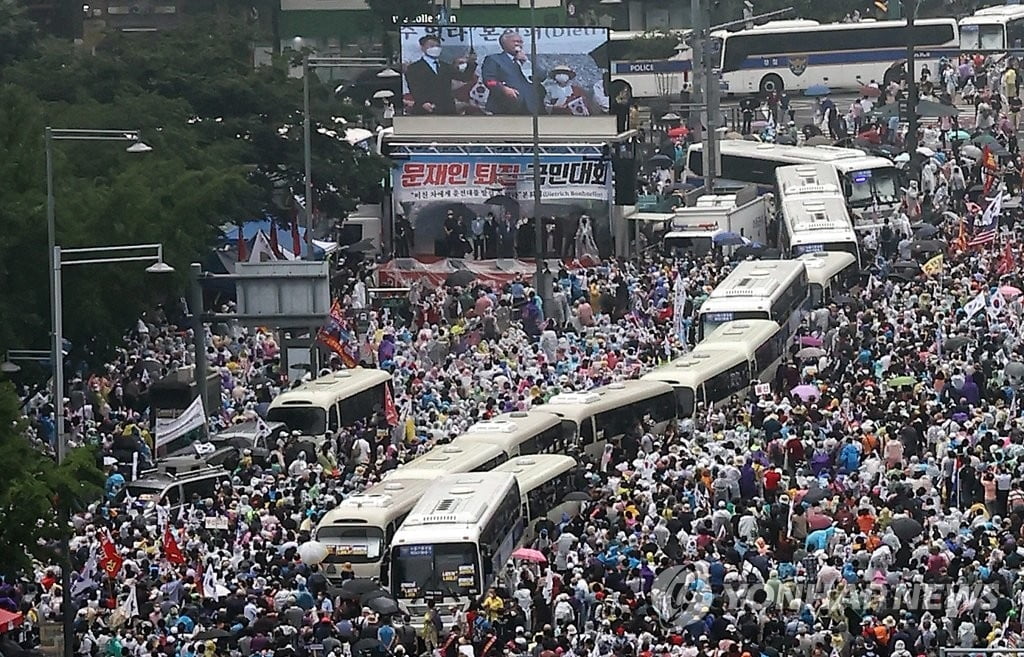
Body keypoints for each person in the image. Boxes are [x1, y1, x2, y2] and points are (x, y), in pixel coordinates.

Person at [404, 34, 474, 115]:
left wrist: (471, 63)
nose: (435, 48)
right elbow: (414, 87)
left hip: (447, 109)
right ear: (422, 48)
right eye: (431, 46)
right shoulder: (414, 68)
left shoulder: (445, 66)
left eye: (437, 46)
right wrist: (423, 102)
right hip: (426, 109)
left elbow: (465, 77)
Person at [480, 29, 544, 115]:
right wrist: (503, 89)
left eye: (521, 42)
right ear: (504, 43)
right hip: (504, 106)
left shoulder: (528, 59)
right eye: (515, 41)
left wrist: (526, 62)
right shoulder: (494, 59)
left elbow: (542, 76)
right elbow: (489, 81)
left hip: (530, 107)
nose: (518, 44)